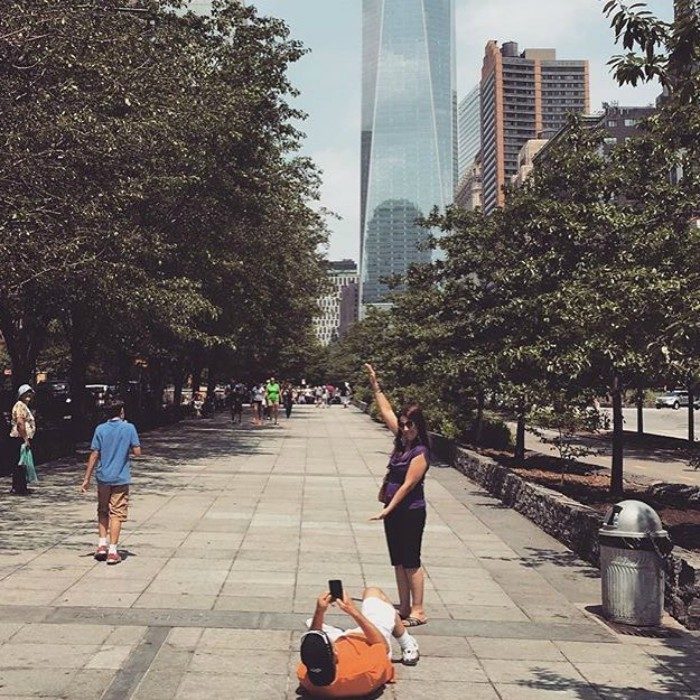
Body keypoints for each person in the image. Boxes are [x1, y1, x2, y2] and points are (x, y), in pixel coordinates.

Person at [364, 363, 430, 627]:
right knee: (398, 560)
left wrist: (387, 509)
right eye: (403, 425)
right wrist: (375, 385)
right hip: (393, 511)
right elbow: (386, 411)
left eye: (410, 426)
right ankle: (403, 605)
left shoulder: (421, 451)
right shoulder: (402, 443)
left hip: (410, 511)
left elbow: (408, 486)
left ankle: (418, 609)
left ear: (419, 426)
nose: (405, 429)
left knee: (411, 559)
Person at [297, 586, 419, 698]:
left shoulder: (306, 678)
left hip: (343, 638)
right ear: (335, 652)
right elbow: (382, 646)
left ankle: (335, 631)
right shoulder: (366, 672)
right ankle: (407, 642)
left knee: (312, 623)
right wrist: (353, 610)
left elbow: (313, 642)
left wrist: (320, 611)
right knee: (374, 593)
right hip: (369, 637)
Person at [80, 400, 141, 565]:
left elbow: (94, 454)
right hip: (120, 477)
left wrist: (86, 479)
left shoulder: (100, 429)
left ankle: (101, 545)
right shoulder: (129, 428)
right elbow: (137, 452)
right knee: (117, 512)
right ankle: (113, 551)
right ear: (121, 411)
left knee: (102, 509)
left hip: (103, 476)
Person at [9, 384, 36, 495]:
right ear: (21, 394)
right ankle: (19, 488)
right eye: (26, 392)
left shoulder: (24, 406)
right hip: (20, 438)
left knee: (22, 462)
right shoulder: (20, 405)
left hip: (22, 438)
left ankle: (20, 486)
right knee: (21, 463)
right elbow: (20, 423)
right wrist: (25, 439)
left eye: (30, 392)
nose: (28, 395)